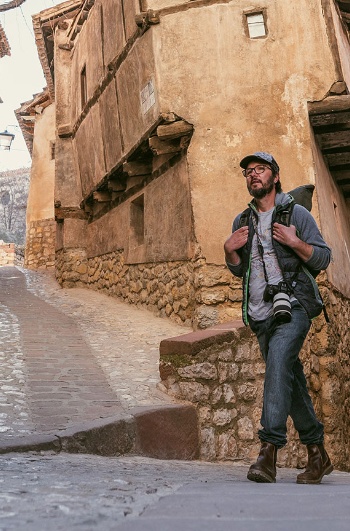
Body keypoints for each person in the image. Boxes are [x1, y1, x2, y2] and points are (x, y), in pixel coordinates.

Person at [224, 151, 333, 484]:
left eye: (260, 169)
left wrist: (296, 242)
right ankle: (318, 454)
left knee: (277, 365)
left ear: (274, 175)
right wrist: (229, 251)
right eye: (248, 171)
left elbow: (323, 258)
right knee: (290, 377)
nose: (253, 175)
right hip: (260, 312)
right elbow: (241, 270)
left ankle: (268, 452)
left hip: (294, 305)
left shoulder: (296, 214)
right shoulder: (241, 221)